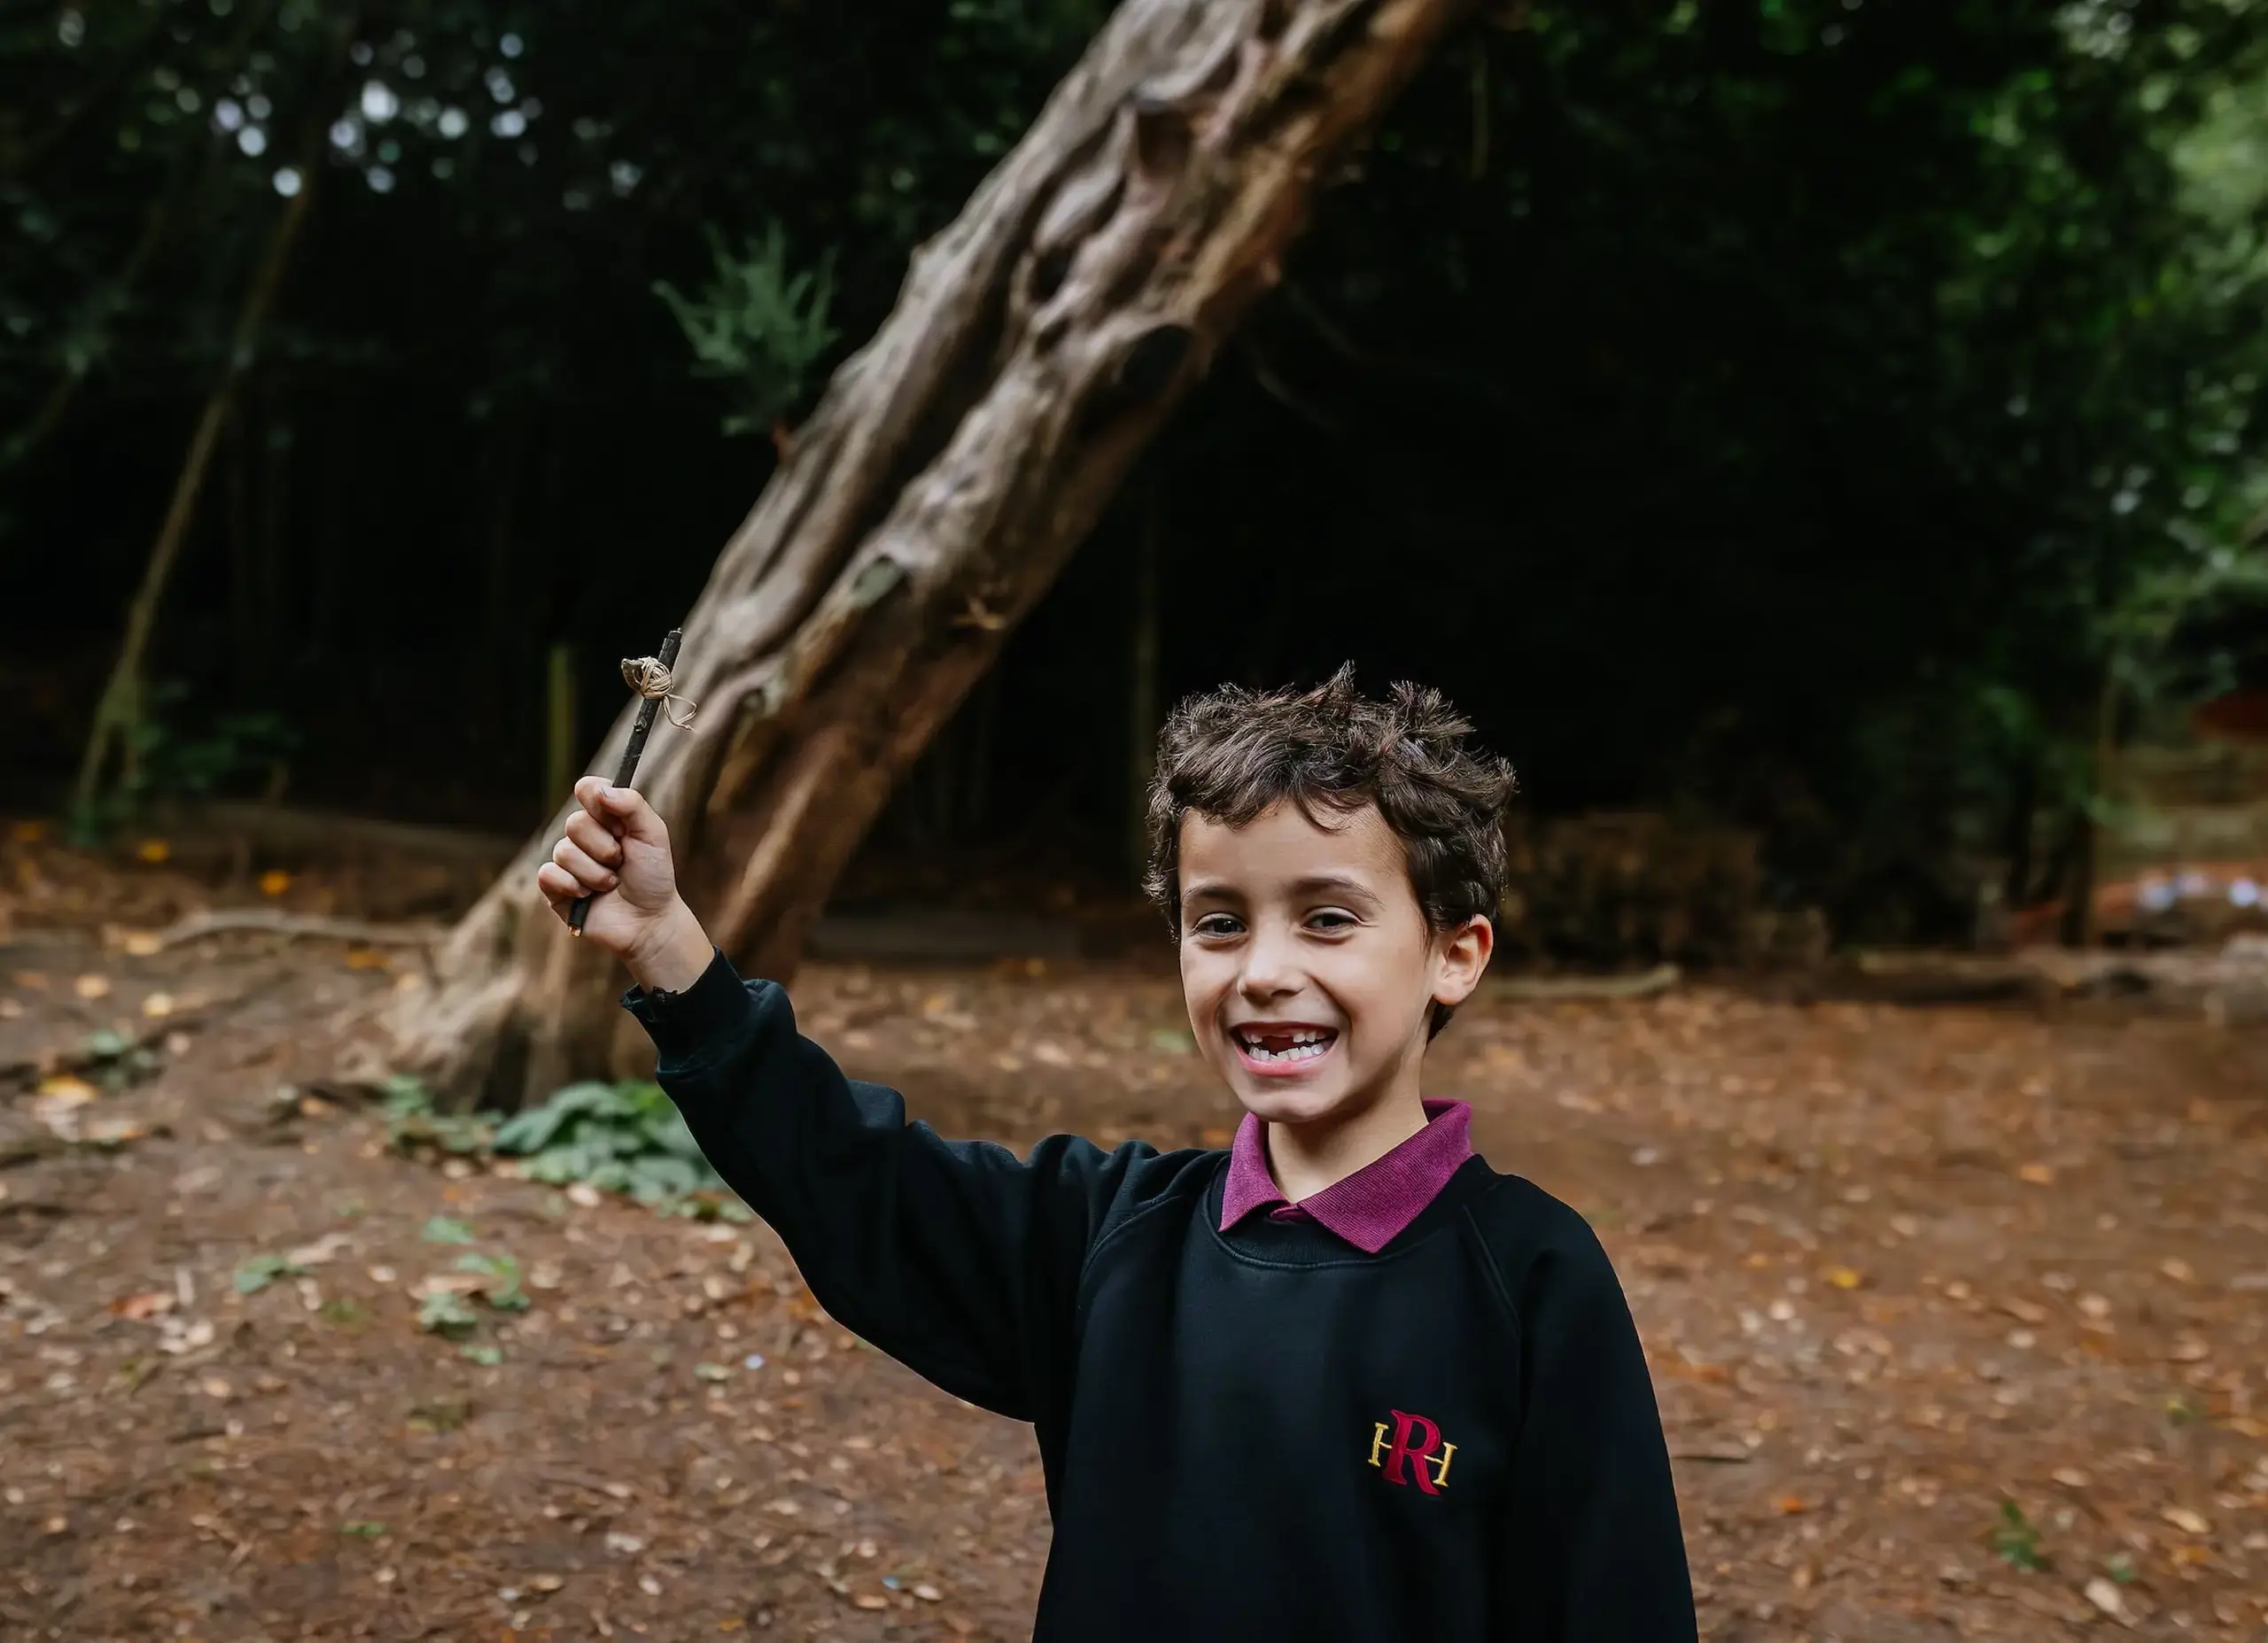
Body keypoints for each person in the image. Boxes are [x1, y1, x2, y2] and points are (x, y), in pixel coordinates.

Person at [537, 666, 1697, 1641]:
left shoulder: (1533, 1280)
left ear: (1455, 953)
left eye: (1329, 918)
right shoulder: (1109, 1235)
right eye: (1219, 921)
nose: (1264, 970)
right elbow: (850, 1179)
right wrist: (669, 947)